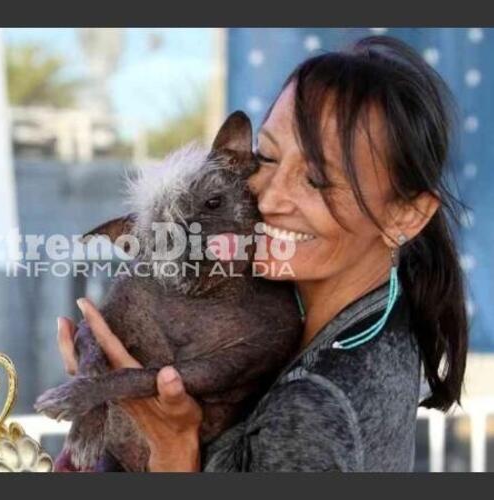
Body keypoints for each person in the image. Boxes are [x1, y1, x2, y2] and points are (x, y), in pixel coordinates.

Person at [56, 35, 469, 472]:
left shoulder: (310, 413)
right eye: (266, 157)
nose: (268, 199)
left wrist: (173, 447)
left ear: (406, 216)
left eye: (315, 181)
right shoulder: (374, 315)